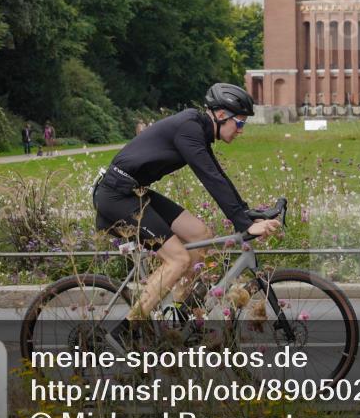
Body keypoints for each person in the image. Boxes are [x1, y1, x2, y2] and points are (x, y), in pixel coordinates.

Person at [93, 83, 280, 342]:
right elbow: (210, 178)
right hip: (117, 196)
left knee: (200, 234)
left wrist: (248, 214)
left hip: (135, 192)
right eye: (240, 123)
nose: (241, 130)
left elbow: (217, 175)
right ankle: (125, 332)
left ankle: (178, 314)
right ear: (221, 115)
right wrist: (243, 224)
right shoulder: (189, 129)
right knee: (178, 260)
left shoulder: (197, 129)